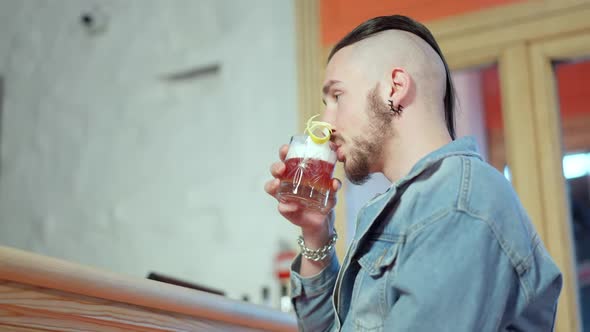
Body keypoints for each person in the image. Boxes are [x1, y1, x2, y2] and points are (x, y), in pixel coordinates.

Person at [264, 15, 562, 331]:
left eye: (337, 96)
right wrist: (315, 232)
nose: (326, 123)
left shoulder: (458, 203)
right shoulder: (418, 206)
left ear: (395, 87)